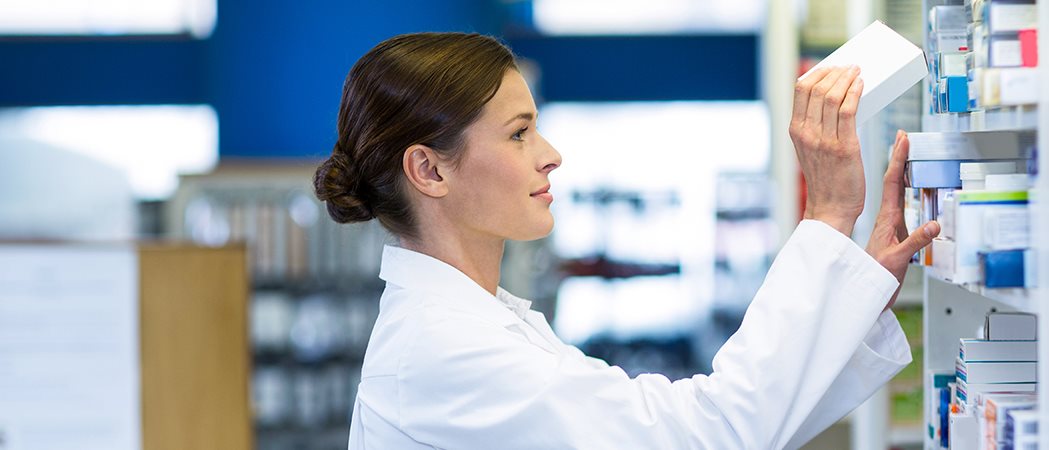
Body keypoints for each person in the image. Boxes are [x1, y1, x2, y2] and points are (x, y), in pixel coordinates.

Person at [315, 32, 940, 450]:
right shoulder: (448, 351)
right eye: (518, 134)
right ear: (429, 170)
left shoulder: (474, 327)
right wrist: (828, 213)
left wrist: (849, 305)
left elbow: (727, 430)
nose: (551, 156)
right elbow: (709, 434)